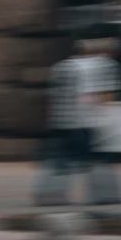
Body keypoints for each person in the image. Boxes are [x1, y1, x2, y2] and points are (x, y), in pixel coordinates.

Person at [34, 41, 90, 205]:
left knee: (56, 159)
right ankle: (60, 194)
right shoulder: (80, 69)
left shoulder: (58, 68)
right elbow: (84, 96)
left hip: (58, 121)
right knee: (70, 161)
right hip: (74, 122)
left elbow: (52, 94)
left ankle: (43, 191)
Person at [80, 37, 121, 205]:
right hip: (100, 118)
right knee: (106, 159)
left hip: (83, 118)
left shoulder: (82, 65)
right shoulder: (108, 65)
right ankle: (109, 195)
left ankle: (95, 195)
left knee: (93, 159)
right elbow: (107, 94)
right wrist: (108, 116)